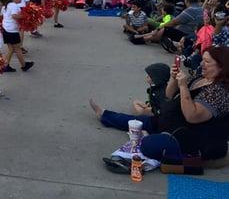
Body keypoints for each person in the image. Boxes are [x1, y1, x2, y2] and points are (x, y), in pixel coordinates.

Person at [90, 47, 229, 161]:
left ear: (222, 66)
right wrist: (174, 79)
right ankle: (104, 115)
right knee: (136, 122)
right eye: (202, 60)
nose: (201, 64)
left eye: (207, 62)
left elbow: (192, 116)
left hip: (190, 139)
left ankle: (164, 146)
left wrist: (183, 86)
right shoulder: (201, 78)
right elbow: (168, 95)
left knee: (148, 145)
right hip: (172, 123)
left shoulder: (219, 91)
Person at [0, 0, 34, 72]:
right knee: (17, 49)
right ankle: (24, 65)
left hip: (6, 30)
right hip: (12, 31)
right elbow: (14, 16)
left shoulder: (5, 6)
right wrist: (24, 16)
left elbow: (3, 16)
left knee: (11, 49)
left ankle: (5, 65)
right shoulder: (14, 6)